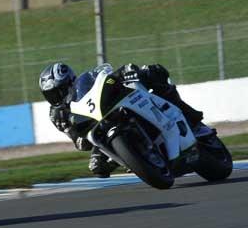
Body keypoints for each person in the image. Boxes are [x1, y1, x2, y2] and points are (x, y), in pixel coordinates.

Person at [38, 62, 211, 178]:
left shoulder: (86, 82)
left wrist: (127, 72)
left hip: (114, 109)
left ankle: (193, 122)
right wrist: (78, 139)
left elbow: (108, 75)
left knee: (152, 72)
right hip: (98, 132)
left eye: (58, 90)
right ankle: (136, 159)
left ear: (69, 81)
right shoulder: (57, 114)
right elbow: (78, 140)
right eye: (51, 94)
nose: (56, 97)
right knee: (97, 167)